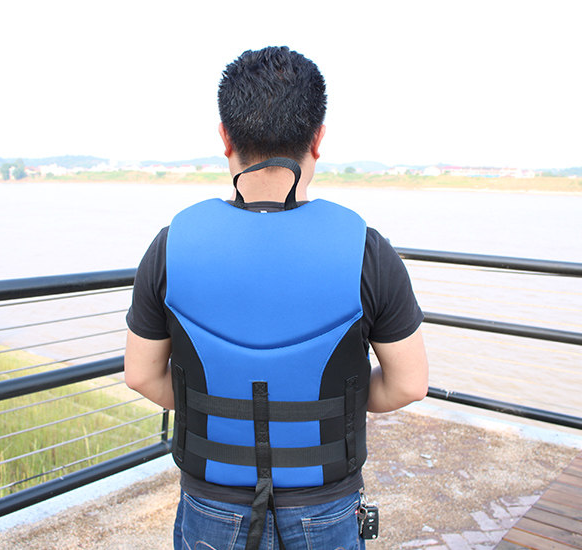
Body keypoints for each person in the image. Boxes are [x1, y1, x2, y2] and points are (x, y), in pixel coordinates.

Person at [124, 46, 428, 550]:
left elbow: (140, 374)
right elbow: (409, 384)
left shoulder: (172, 245)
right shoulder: (367, 250)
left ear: (225, 138)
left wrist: (223, 413)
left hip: (212, 504)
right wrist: (341, 406)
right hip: (325, 506)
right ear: (318, 139)